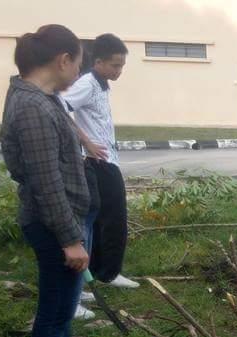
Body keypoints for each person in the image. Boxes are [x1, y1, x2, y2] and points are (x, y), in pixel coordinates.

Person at [1, 24, 111, 337]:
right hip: (54, 226)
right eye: (79, 64)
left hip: (62, 220)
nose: (78, 73)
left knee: (63, 311)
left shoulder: (41, 99)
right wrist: (69, 239)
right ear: (64, 60)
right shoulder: (32, 107)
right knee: (53, 315)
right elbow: (45, 181)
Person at [60, 33, 139, 307]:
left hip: (108, 160)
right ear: (98, 62)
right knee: (105, 219)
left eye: (122, 66)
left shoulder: (101, 84)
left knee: (112, 219)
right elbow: (60, 107)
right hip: (96, 163)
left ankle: (108, 273)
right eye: (115, 65)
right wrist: (86, 142)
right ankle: (95, 276)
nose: (119, 71)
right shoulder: (86, 84)